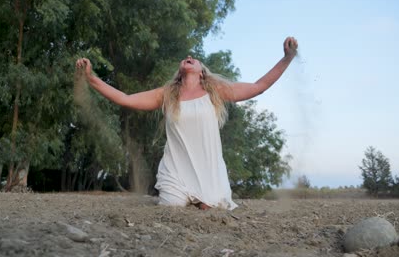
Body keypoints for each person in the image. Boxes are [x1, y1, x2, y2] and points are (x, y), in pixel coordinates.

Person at [75, 37, 298, 210]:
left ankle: (204, 196)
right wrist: (91, 77)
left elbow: (259, 86)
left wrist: (287, 58)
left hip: (209, 172)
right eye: (186, 57)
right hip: (176, 171)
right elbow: (125, 98)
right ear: (180, 71)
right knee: (172, 205)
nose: (189, 56)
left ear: (201, 72)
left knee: (210, 207)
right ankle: (176, 192)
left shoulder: (215, 91)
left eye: (194, 57)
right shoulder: (166, 94)